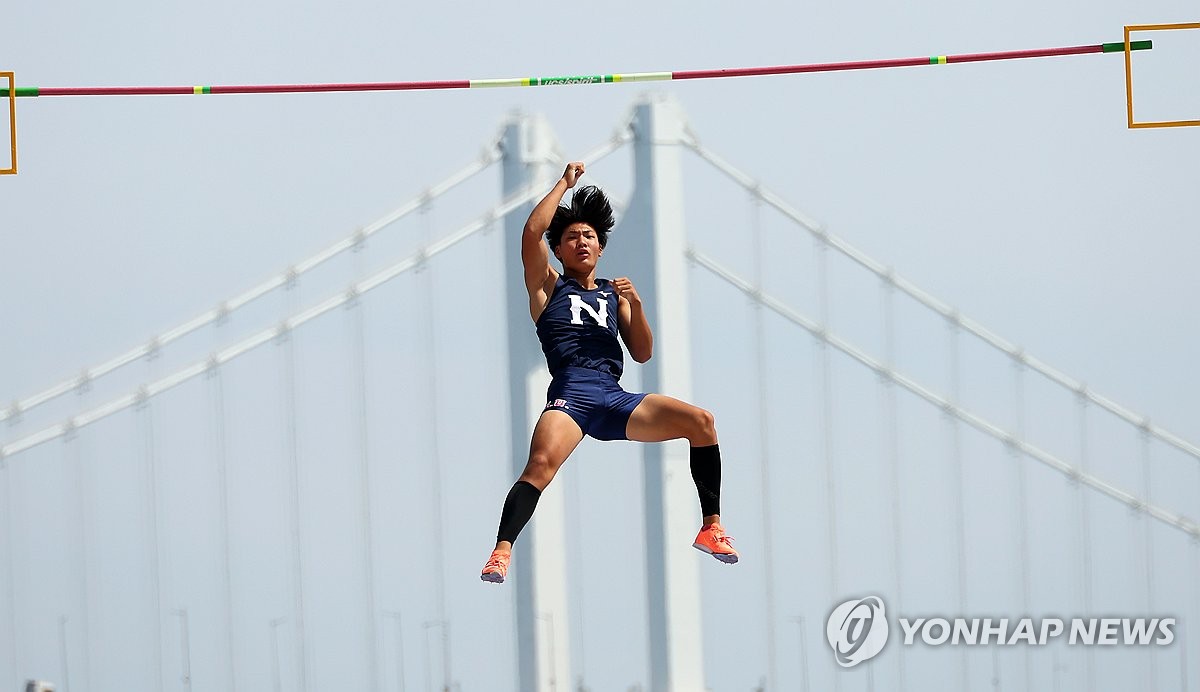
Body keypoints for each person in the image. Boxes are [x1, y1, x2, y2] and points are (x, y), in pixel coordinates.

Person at [481, 161, 738, 584]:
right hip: (572, 396)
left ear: (600, 248)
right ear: (559, 251)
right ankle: (501, 551)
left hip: (614, 399)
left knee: (702, 422)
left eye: (589, 236)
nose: (581, 242)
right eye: (570, 237)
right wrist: (565, 184)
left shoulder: (613, 294)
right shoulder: (547, 286)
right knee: (540, 464)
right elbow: (530, 234)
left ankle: (711, 527)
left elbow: (642, 353)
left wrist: (635, 306)